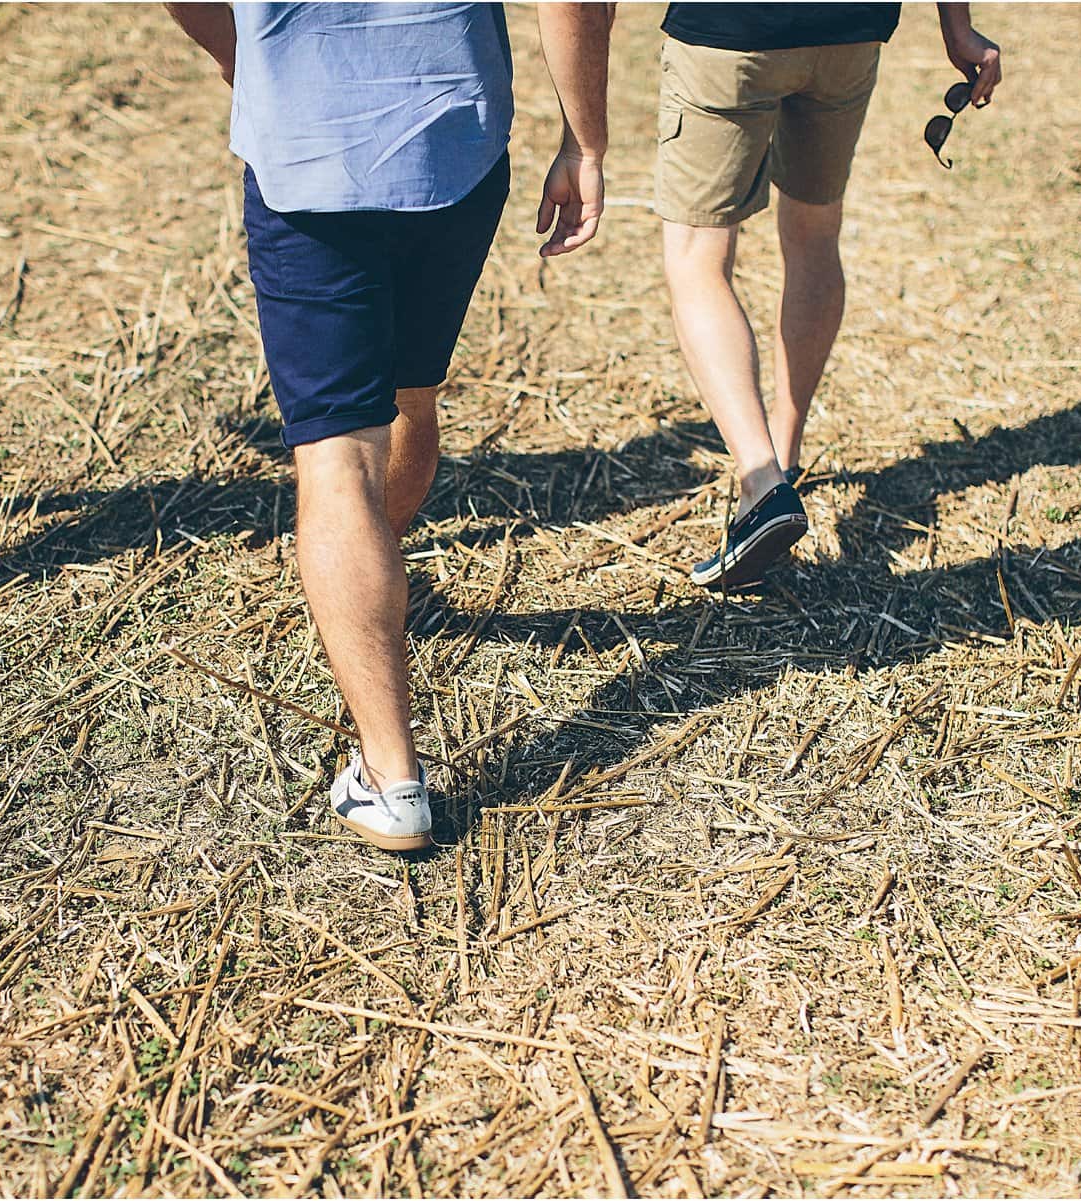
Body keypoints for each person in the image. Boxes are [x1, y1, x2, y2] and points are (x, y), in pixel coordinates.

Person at [168, 1, 611, 852]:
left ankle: (391, 776)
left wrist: (241, 56)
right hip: (454, 142)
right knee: (411, 398)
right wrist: (584, 141)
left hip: (307, 150)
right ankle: (381, 577)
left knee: (338, 466)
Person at [655, 2, 1002, 588]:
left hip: (730, 31)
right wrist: (957, 27)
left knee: (697, 257)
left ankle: (764, 484)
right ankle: (785, 455)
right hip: (850, 28)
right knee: (815, 235)